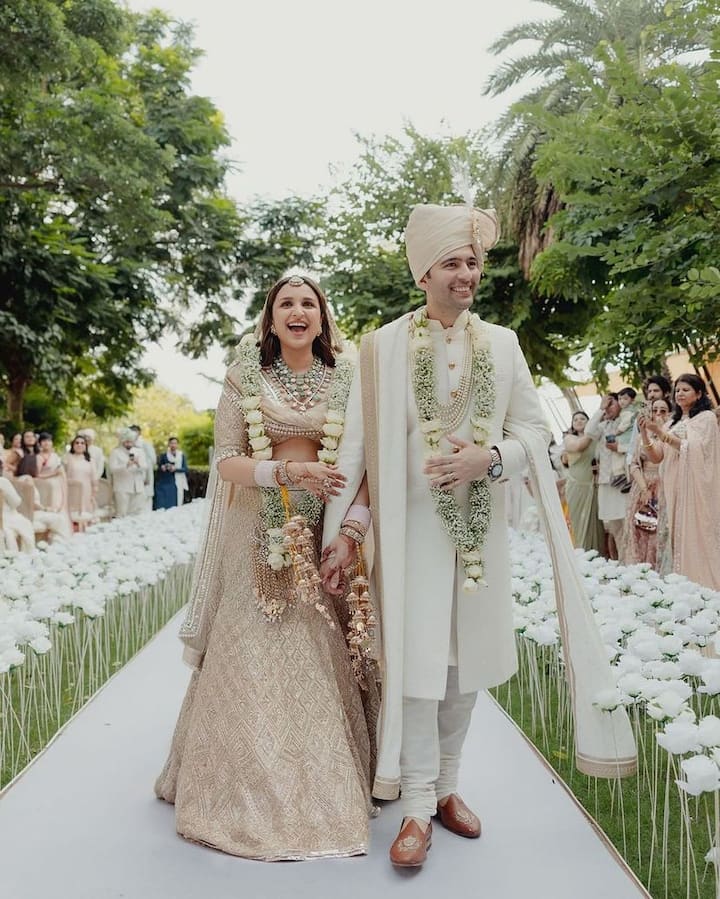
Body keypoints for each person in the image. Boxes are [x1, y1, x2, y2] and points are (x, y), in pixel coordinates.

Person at [321, 203, 636, 870]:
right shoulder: (380, 348)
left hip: (479, 532)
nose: (467, 274)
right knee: (416, 659)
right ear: (423, 274)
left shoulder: (502, 343)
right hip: (410, 534)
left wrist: (489, 459)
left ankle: (447, 787)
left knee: (465, 662)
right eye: (452, 264)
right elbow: (358, 448)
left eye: (472, 263)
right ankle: (415, 803)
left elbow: (534, 432)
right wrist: (345, 529)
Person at [155, 274, 377, 860]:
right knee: (254, 642)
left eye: (308, 303)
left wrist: (350, 533)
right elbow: (226, 460)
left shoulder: (349, 378)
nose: (298, 312)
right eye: (286, 303)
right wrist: (286, 472)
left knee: (318, 644)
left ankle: (326, 779)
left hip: (323, 530)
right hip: (256, 529)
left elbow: (368, 465)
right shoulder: (244, 376)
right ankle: (243, 787)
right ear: (271, 318)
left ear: (322, 317)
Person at [639, 374, 720, 590]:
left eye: (685, 390)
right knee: (676, 534)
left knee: (698, 533)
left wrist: (660, 432)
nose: (680, 394)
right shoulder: (672, 422)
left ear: (699, 394)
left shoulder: (706, 418)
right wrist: (645, 433)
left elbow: (697, 449)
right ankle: (684, 584)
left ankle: (704, 584)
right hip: (672, 486)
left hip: (695, 487)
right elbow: (657, 456)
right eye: (677, 390)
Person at [622, 397, 671, 568]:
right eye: (655, 410)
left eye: (663, 411)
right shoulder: (641, 437)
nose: (658, 414)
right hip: (643, 487)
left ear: (670, 414)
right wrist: (644, 489)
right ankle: (640, 570)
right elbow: (634, 464)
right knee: (640, 529)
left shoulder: (670, 436)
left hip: (665, 486)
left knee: (661, 532)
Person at [585, 394, 629, 560]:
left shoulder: (627, 422)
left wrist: (619, 448)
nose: (607, 408)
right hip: (606, 481)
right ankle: (622, 561)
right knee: (614, 527)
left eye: (611, 404)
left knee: (627, 524)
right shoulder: (603, 426)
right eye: (605, 404)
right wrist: (600, 409)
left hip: (624, 480)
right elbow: (589, 431)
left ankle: (631, 561)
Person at [561, 410, 604, 554]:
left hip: (593, 486)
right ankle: (577, 553)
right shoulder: (569, 438)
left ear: (588, 422)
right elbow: (579, 446)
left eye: (582, 419)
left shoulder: (596, 439)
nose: (579, 421)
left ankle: (595, 555)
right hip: (575, 486)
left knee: (594, 524)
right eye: (575, 420)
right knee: (577, 522)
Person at [109, 428, 149, 517]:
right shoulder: (116, 452)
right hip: (122, 487)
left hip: (138, 487)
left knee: (137, 513)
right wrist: (126, 465)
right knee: (122, 513)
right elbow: (112, 469)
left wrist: (138, 463)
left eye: (131, 441)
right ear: (122, 441)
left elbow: (145, 466)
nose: (129, 443)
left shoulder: (139, 451)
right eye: (127, 441)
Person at [63, 434, 98, 531]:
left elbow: (94, 477)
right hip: (71, 490)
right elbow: (63, 475)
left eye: (82, 443)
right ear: (73, 445)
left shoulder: (90, 460)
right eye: (77, 443)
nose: (79, 445)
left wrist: (94, 491)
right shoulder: (67, 458)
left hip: (87, 490)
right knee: (72, 513)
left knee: (86, 513)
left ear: (85, 446)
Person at [0, 456, 35, 552]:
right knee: (26, 524)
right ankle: (26, 553)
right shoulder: (3, 482)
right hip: (6, 517)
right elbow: (16, 502)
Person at [155, 437, 190, 509]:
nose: (173, 445)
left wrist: (175, 469)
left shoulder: (181, 455)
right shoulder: (164, 455)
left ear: (177, 445)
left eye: (175, 443)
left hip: (179, 481)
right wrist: (163, 467)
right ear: (168, 444)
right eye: (171, 443)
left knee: (177, 503)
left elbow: (185, 469)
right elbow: (159, 468)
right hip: (167, 482)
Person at [129, 425, 156, 511]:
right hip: (132, 478)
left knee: (145, 499)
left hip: (145, 476)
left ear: (139, 433)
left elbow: (152, 461)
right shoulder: (128, 445)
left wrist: (147, 477)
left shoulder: (145, 444)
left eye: (135, 431)